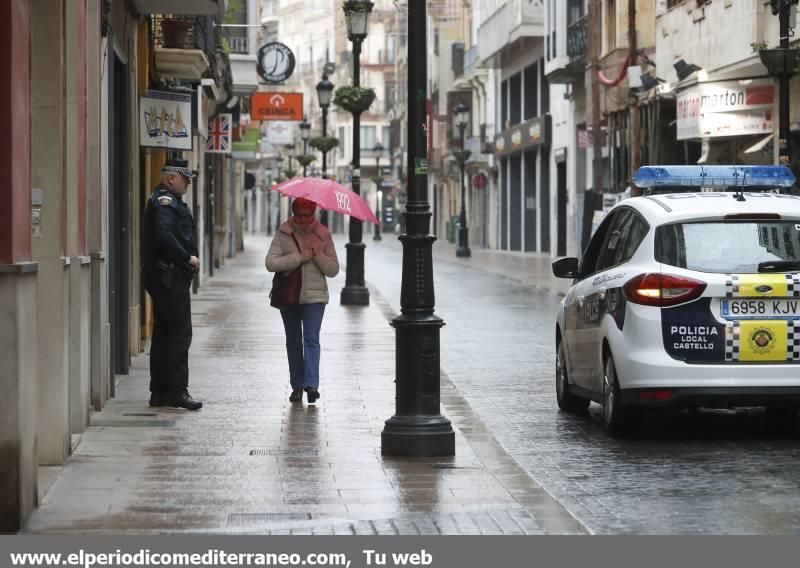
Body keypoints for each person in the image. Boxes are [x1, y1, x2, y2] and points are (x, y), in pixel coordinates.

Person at [141, 158, 203, 410]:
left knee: (164, 334)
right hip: (169, 277)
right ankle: (177, 391)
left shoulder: (167, 200)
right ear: (170, 178)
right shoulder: (165, 202)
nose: (187, 182)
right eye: (184, 178)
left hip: (166, 276)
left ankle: (160, 392)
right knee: (179, 334)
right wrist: (186, 257)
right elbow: (164, 235)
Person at [266, 198, 340, 404]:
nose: (303, 219)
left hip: (315, 297)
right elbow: (270, 263)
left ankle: (311, 385)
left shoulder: (323, 234)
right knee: (293, 342)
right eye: (299, 215)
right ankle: (297, 386)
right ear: (293, 213)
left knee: (311, 339)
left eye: (307, 215)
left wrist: (318, 255)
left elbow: (333, 270)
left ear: (314, 213)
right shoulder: (284, 233)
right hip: (289, 296)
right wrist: (300, 256)